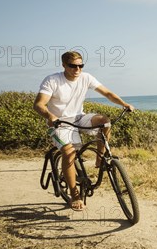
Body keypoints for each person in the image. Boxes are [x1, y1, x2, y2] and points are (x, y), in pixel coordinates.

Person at [33, 51, 135, 211]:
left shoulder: (86, 77)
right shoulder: (52, 80)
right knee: (69, 153)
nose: (77, 69)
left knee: (105, 122)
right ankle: (75, 195)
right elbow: (39, 104)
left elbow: (107, 93)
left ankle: (100, 159)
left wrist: (124, 104)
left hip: (79, 118)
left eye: (80, 65)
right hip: (59, 124)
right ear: (64, 65)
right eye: (73, 66)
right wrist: (50, 115)